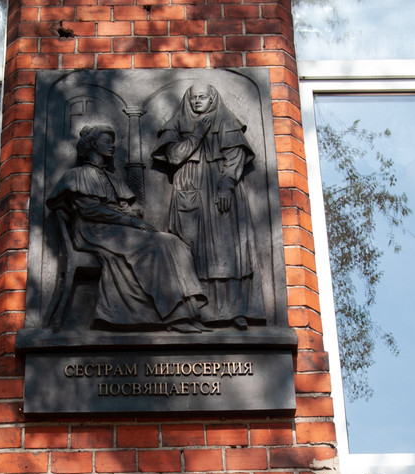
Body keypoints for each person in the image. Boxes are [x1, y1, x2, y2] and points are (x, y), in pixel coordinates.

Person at [47, 125, 209, 332]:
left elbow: (122, 204)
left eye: (112, 142)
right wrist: (131, 221)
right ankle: (172, 315)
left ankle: (189, 310)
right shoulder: (76, 175)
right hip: (93, 230)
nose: (112, 146)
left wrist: (132, 212)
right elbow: (91, 211)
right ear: (92, 144)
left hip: (116, 227)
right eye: (106, 141)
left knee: (172, 241)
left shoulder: (111, 178)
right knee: (151, 247)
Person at [153, 84, 266, 329]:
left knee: (227, 250)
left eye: (202, 98)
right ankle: (194, 310)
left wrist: (226, 185)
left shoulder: (226, 121)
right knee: (190, 248)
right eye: (193, 98)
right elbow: (173, 157)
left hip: (221, 191)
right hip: (188, 190)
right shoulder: (176, 124)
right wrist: (196, 135)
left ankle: (235, 309)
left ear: (213, 99)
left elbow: (235, 157)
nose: (197, 102)